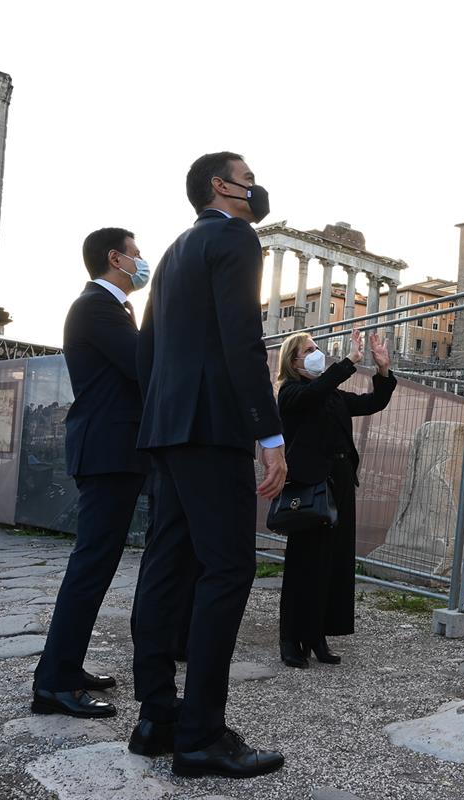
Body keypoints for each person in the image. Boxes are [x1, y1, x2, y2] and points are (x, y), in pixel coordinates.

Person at [129, 151, 287, 779]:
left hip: (169, 428)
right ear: (222, 187)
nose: (258, 186)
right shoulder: (236, 237)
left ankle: (157, 717)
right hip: (213, 427)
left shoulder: (172, 253)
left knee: (167, 566)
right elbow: (242, 338)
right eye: (248, 177)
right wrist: (269, 433)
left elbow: (148, 347)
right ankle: (201, 736)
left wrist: (160, 419)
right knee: (227, 568)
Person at [31, 227, 151, 718]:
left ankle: (65, 667)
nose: (142, 262)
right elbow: (141, 363)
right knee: (90, 566)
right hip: (107, 451)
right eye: (137, 253)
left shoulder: (112, 308)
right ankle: (54, 683)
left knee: (95, 566)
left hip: (113, 450)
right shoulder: (96, 308)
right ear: (115, 258)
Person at [275, 328, 396, 669]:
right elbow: (312, 393)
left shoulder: (332, 395)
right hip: (309, 487)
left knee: (332, 563)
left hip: (340, 484)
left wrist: (382, 371)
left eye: (317, 348)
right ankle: (290, 638)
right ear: (293, 361)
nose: (316, 353)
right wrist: (349, 362)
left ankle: (317, 635)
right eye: (308, 350)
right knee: (304, 564)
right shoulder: (291, 393)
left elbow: (373, 402)